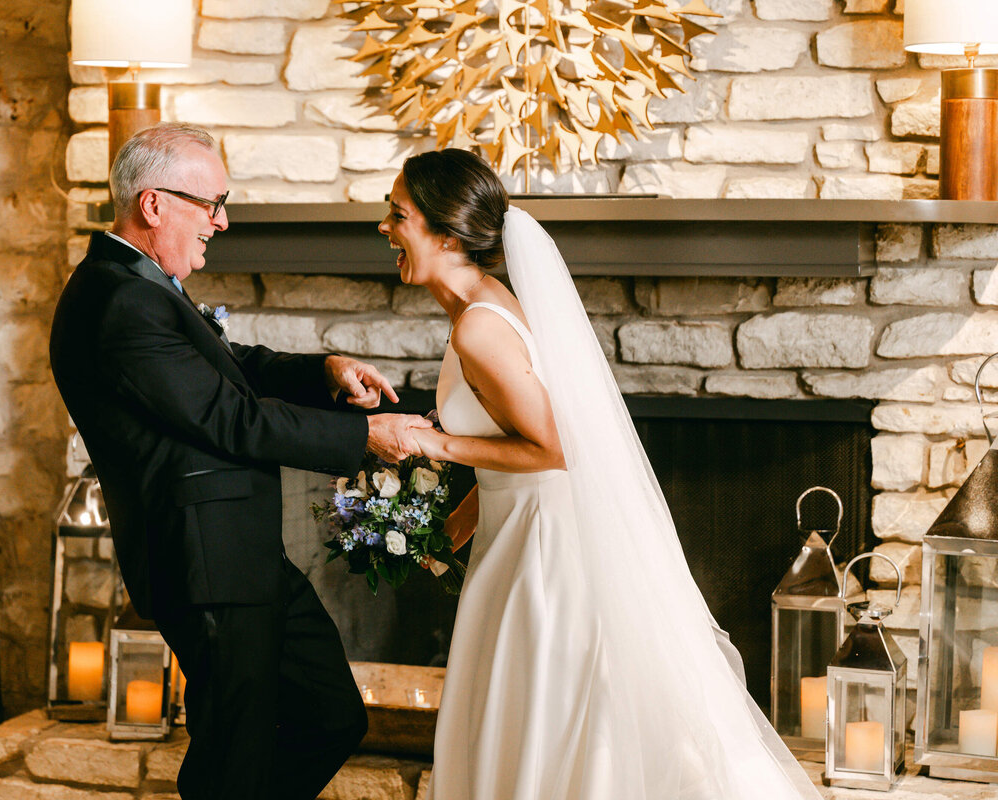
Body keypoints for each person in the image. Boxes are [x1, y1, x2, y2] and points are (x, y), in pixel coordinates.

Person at [380, 149, 823, 800]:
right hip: (521, 537)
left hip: (545, 558)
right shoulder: (479, 309)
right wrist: (451, 528)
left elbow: (559, 450)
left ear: (446, 234)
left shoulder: (480, 327)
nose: (385, 228)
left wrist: (436, 448)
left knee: (544, 718)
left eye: (398, 215)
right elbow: (514, 449)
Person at [49, 122, 430, 800]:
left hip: (241, 558)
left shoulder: (141, 282)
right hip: (205, 569)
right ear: (154, 204)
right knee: (234, 763)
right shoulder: (118, 300)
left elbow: (228, 372)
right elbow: (232, 418)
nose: (221, 222)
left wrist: (324, 370)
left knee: (330, 716)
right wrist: (366, 438)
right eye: (211, 204)